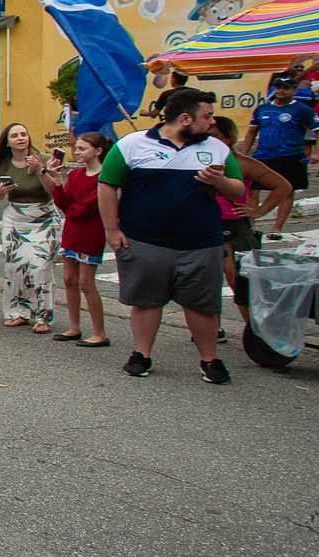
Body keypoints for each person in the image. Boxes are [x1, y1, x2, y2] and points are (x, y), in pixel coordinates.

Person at [99, 88, 247, 383]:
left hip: (201, 244)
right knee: (147, 301)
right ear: (184, 118)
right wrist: (112, 231)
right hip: (145, 241)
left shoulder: (217, 149)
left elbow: (238, 189)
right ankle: (142, 354)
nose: (211, 122)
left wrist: (220, 181)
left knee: (202, 304)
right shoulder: (131, 145)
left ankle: (210, 360)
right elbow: (106, 185)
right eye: (206, 116)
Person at [211, 117, 292, 335]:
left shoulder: (243, 163)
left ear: (227, 138)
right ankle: (213, 328)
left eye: (214, 134)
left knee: (237, 278)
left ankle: (254, 330)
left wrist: (258, 211)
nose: (208, 137)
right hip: (205, 225)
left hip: (234, 225)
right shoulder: (197, 159)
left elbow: (282, 186)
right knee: (208, 278)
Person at [0, 123, 60, 333]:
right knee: (15, 266)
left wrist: (40, 171)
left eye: (24, 134)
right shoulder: (2, 164)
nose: (20, 138)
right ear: (7, 142)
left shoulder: (42, 159)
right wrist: (2, 190)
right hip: (15, 217)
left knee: (40, 266)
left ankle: (43, 316)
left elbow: (53, 190)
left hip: (43, 216)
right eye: (15, 135)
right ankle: (18, 312)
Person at [46, 132, 112, 347]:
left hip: (90, 233)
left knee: (86, 282)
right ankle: (75, 326)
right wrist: (57, 181)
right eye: (77, 148)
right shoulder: (75, 175)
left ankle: (99, 332)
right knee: (69, 280)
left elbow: (85, 208)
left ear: (98, 151)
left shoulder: (104, 178)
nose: (77, 152)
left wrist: (71, 207)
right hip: (72, 231)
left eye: (83, 148)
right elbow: (64, 203)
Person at [241, 78, 318, 240]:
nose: (281, 90)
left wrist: (318, 152)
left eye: (286, 88)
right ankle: (251, 226)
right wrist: (243, 154)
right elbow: (251, 132)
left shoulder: (302, 109)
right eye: (279, 87)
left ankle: (277, 228)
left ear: (294, 90)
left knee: (287, 191)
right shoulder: (262, 109)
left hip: (290, 156)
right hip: (262, 155)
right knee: (252, 190)